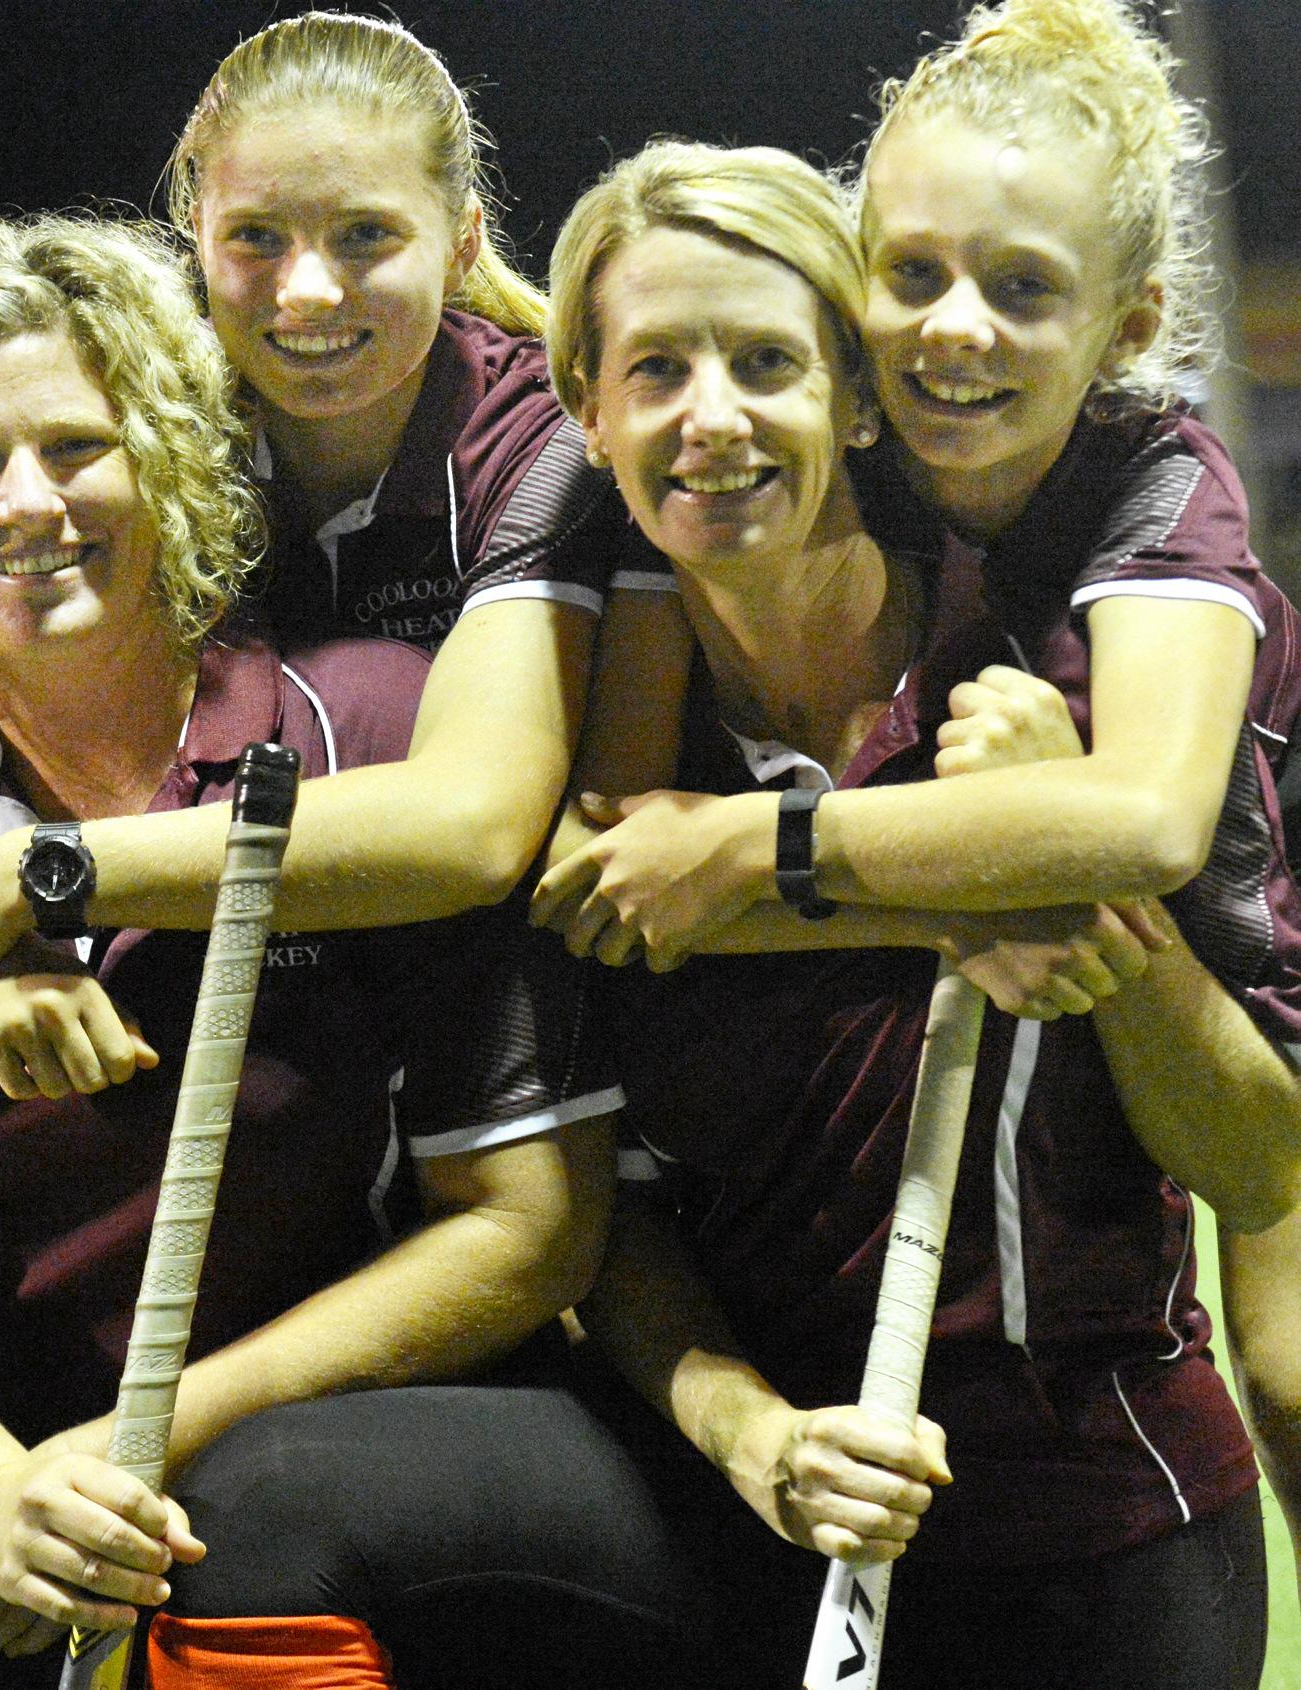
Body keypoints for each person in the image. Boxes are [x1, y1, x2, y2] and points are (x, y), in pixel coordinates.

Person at [0, 212, 687, 1690]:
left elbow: (529, 1227)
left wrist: (129, 1456)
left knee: (263, 1508)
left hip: (339, 1427)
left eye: (75, 447)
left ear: (160, 452)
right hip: (8, 1441)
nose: (25, 503)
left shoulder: (367, 733)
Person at [535, 0, 1301, 1551]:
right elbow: (625, 862)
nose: (953, 325)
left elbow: (1141, 819)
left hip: (1214, 951)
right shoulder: (822, 447)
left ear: (1128, 323)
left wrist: (774, 840)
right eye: (910, 276)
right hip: (998, 907)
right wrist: (963, 878)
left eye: (1021, 289)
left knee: (1283, 1339)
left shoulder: (1160, 483)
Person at [0, 11, 680, 1100]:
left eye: (365, 235)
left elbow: (472, 824)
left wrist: (27, 879)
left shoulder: (537, 440)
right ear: (196, 239)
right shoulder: (155, 416)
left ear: (459, 241)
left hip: (549, 986)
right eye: (257, 238)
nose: (307, 291)